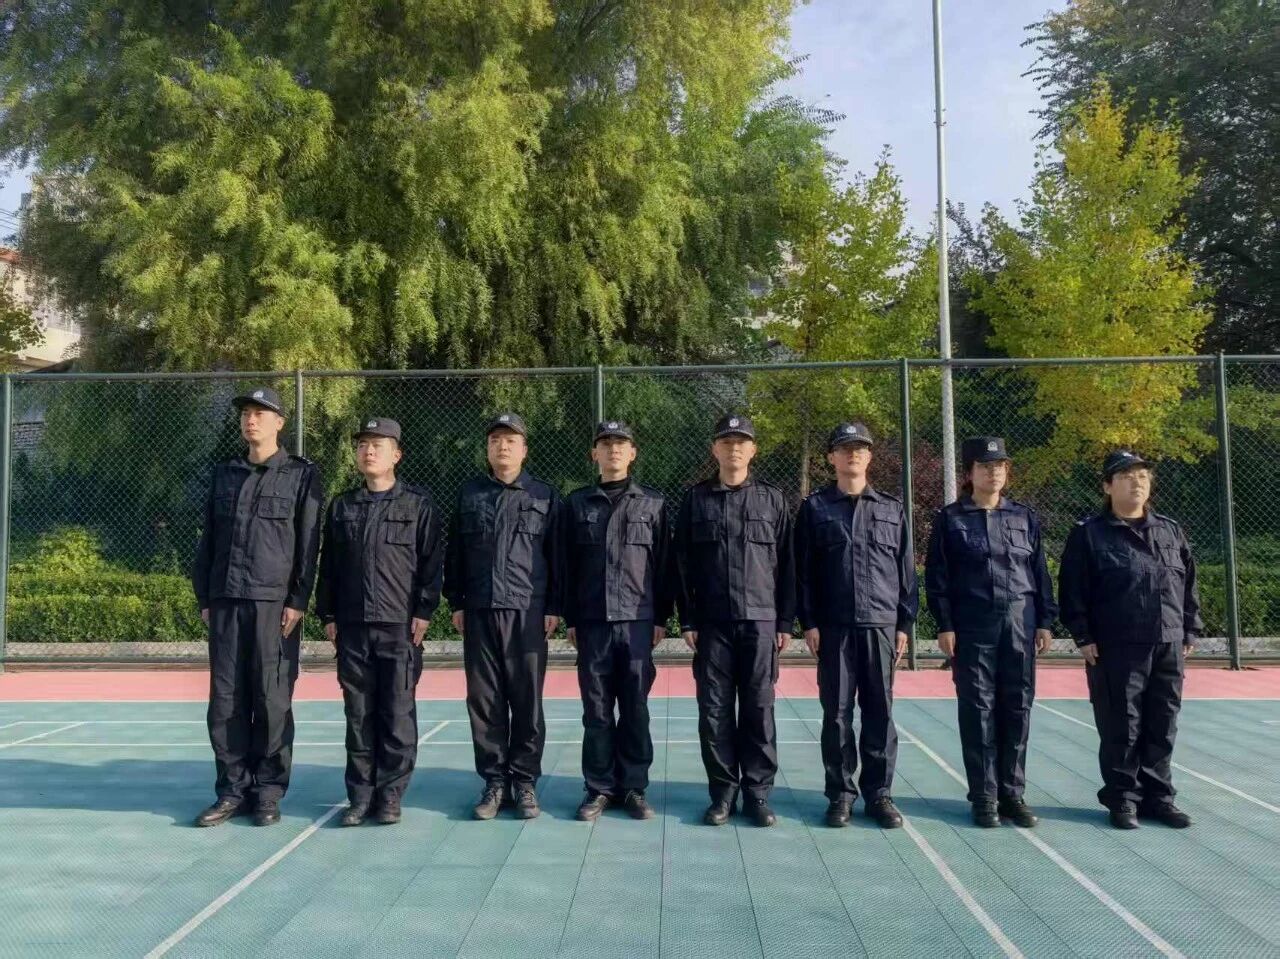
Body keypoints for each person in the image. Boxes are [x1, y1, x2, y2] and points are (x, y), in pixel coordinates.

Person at [191, 386, 324, 827]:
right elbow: (209, 540)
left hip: (274, 605)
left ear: (279, 423)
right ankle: (232, 791)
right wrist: (206, 596)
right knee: (226, 700)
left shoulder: (301, 475)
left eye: (260, 414)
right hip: (227, 601)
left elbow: (308, 544)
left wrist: (298, 600)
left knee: (272, 699)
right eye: (246, 413)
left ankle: (267, 792)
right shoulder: (225, 474)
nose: (251, 420)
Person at [1058, 449, 1202, 830]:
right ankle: (1123, 797)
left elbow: (1188, 584)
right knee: (1121, 724)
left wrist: (1190, 628)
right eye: (1125, 477)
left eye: (1142, 476)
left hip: (1168, 641)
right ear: (1107, 487)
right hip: (1116, 645)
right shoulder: (1089, 533)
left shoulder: (1169, 530)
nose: (1136, 483)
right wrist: (1082, 634)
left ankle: (1159, 798)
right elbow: (1072, 589)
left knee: (1163, 723)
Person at [315, 418, 444, 827]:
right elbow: (329, 566)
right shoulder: (342, 506)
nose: (368, 451)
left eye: (378, 445)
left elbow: (431, 564)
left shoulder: (418, 506)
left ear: (396, 455)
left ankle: (390, 796)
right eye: (362, 445)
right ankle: (360, 796)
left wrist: (424, 611)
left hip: (398, 627)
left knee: (397, 715)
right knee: (359, 716)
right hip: (352, 628)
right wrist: (328, 613)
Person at [924, 436, 1056, 828]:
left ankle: (1012, 794)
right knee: (978, 709)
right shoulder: (951, 519)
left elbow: (1040, 572)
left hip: (1019, 623)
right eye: (984, 466)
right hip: (972, 624)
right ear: (969, 473)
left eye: (999, 466)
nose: (993, 472)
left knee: (1017, 707)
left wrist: (1045, 620)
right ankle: (984, 796)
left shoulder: (1024, 517)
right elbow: (938, 577)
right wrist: (945, 623)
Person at [673, 413, 795, 828]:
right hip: (712, 624)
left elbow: (788, 565)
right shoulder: (696, 500)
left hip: (760, 622)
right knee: (715, 711)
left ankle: (757, 793)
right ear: (715, 449)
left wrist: (785, 622)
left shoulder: (773, 500)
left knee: (759, 710)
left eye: (741, 442)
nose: (734, 448)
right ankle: (723, 793)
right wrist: (687, 620)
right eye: (726, 442)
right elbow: (682, 564)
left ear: (753, 449)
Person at [794, 422, 917, 829]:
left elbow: (905, 570)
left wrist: (903, 623)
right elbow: (804, 571)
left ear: (870, 456)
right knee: (837, 715)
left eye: (860, 448)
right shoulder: (815, 508)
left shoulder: (891, 508)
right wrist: (809, 621)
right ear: (832, 457)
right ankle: (841, 795)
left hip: (881, 624)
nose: (853, 454)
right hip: (834, 628)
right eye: (845, 448)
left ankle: (879, 794)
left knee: (880, 712)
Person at [444, 412, 564, 821]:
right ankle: (495, 781)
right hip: (480, 611)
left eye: (511, 440)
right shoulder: (470, 494)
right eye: (495, 440)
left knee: (527, 702)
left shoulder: (545, 496)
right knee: (485, 702)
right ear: (488, 448)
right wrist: (457, 602)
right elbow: (455, 554)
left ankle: (524, 782)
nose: (502, 446)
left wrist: (554, 606)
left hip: (528, 613)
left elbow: (557, 557)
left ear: (524, 449)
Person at [562, 421, 671, 822]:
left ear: (633, 453)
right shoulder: (576, 504)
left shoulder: (653, 504)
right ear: (594, 454)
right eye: (605, 444)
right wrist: (571, 618)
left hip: (638, 623)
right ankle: (599, 788)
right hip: (593, 623)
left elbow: (664, 567)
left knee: (636, 709)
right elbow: (566, 568)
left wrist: (661, 617)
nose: (613, 450)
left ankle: (634, 788)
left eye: (621, 444)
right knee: (596, 711)